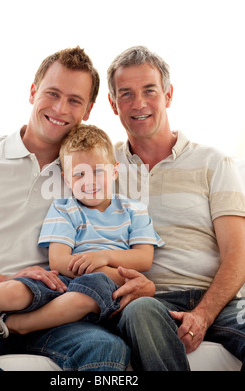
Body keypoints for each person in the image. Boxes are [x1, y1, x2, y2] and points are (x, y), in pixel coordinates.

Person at [0, 46, 131, 371]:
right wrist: (5, 285)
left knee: (106, 348)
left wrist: (140, 281)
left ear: (87, 110)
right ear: (33, 92)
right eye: (52, 93)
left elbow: (118, 244)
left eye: (74, 100)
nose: (60, 108)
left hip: (52, 315)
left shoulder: (90, 175)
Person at [0, 124, 162, 337]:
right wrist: (115, 275)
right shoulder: (64, 208)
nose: (90, 181)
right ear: (66, 179)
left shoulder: (135, 209)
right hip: (65, 280)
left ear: (114, 170)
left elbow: (144, 258)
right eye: (79, 175)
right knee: (15, 289)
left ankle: (18, 325)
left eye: (98, 171)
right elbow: (58, 261)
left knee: (91, 293)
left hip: (102, 288)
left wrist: (103, 257)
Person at [106, 45, 245, 370]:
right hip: (149, 300)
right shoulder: (102, 167)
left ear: (168, 95)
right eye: (126, 94)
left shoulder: (213, 162)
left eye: (149, 91)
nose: (138, 103)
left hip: (219, 298)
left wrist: (203, 313)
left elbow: (238, 253)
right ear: (113, 104)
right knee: (141, 311)